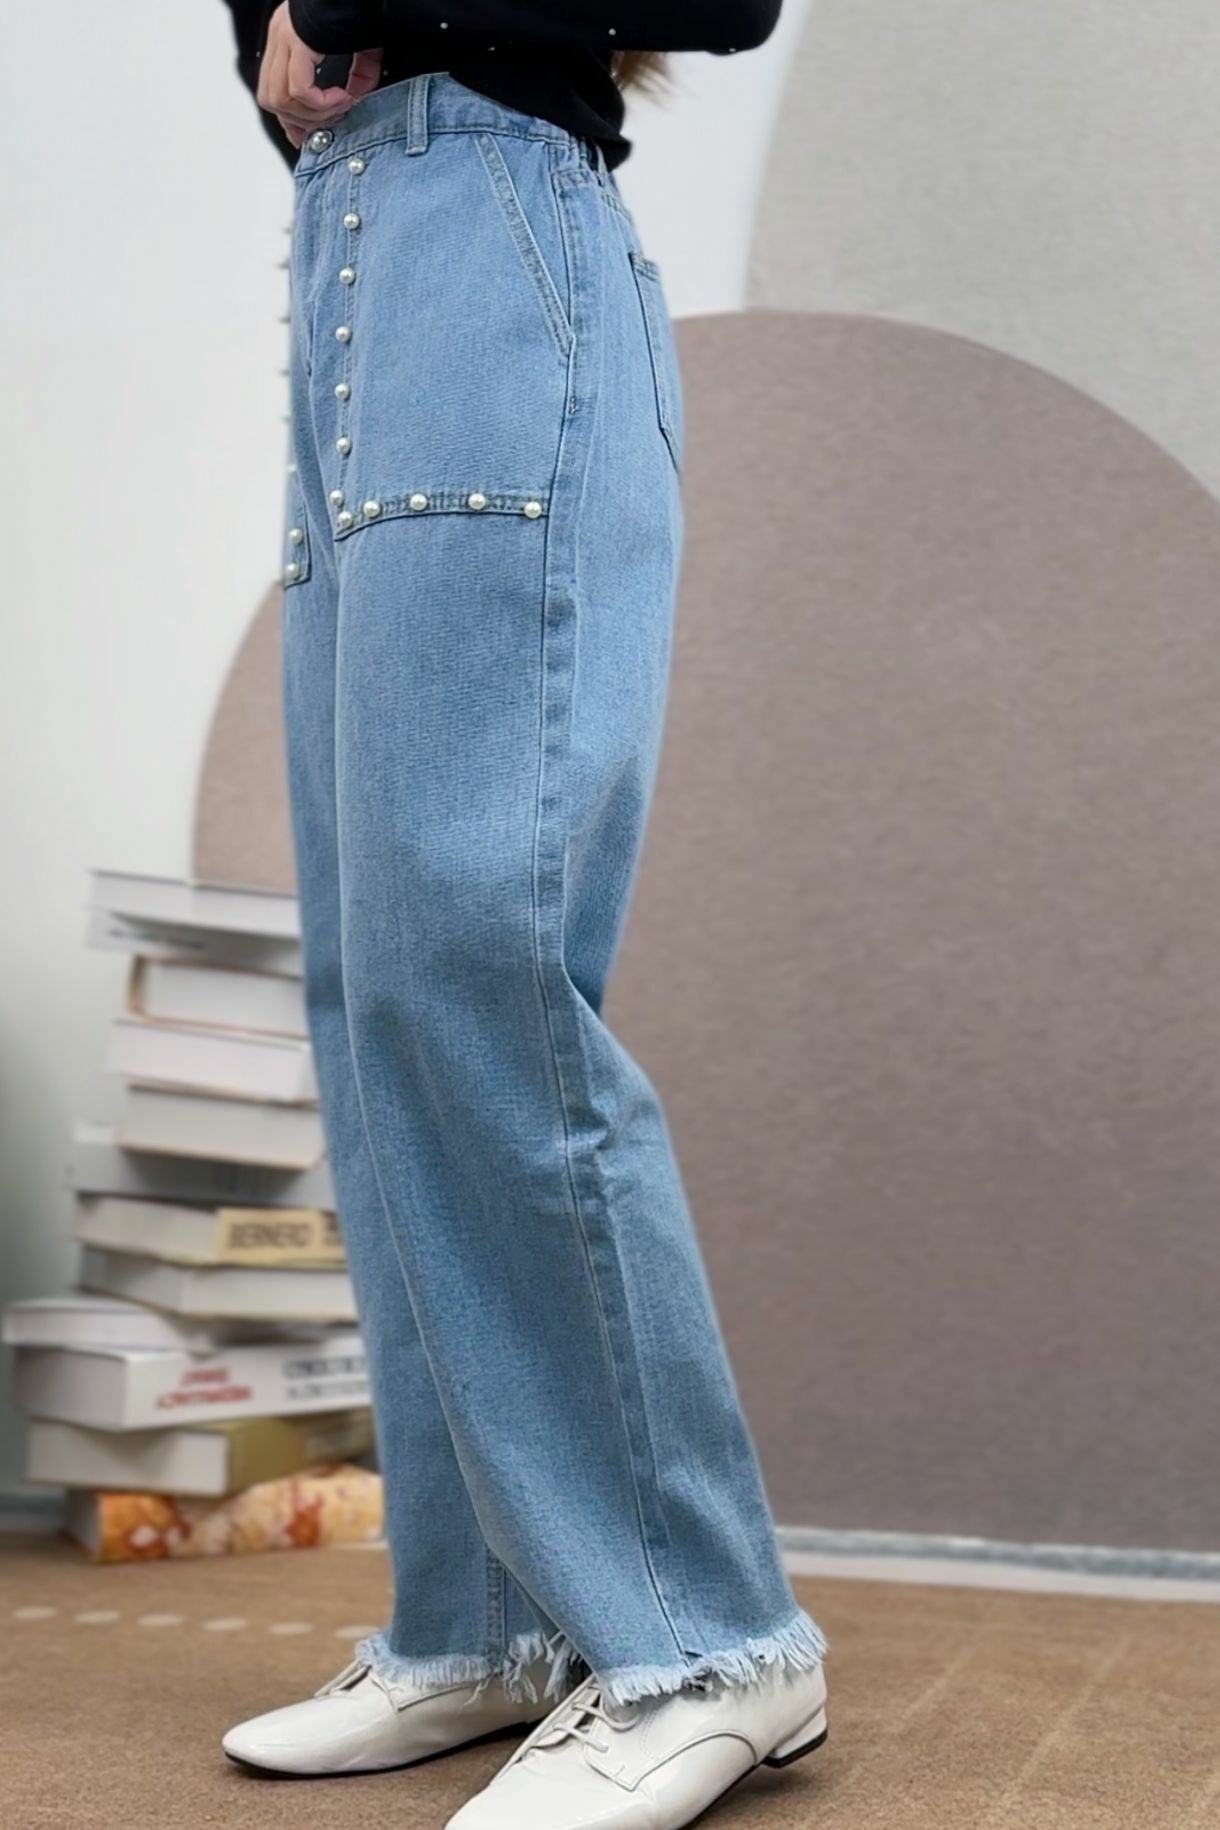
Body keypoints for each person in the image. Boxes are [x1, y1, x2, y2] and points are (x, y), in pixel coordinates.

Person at [218, 6, 830, 1826]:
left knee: (472, 966)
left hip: (490, 238)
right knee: (378, 991)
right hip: (356, 252)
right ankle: (487, 1618)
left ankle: (707, 1635)